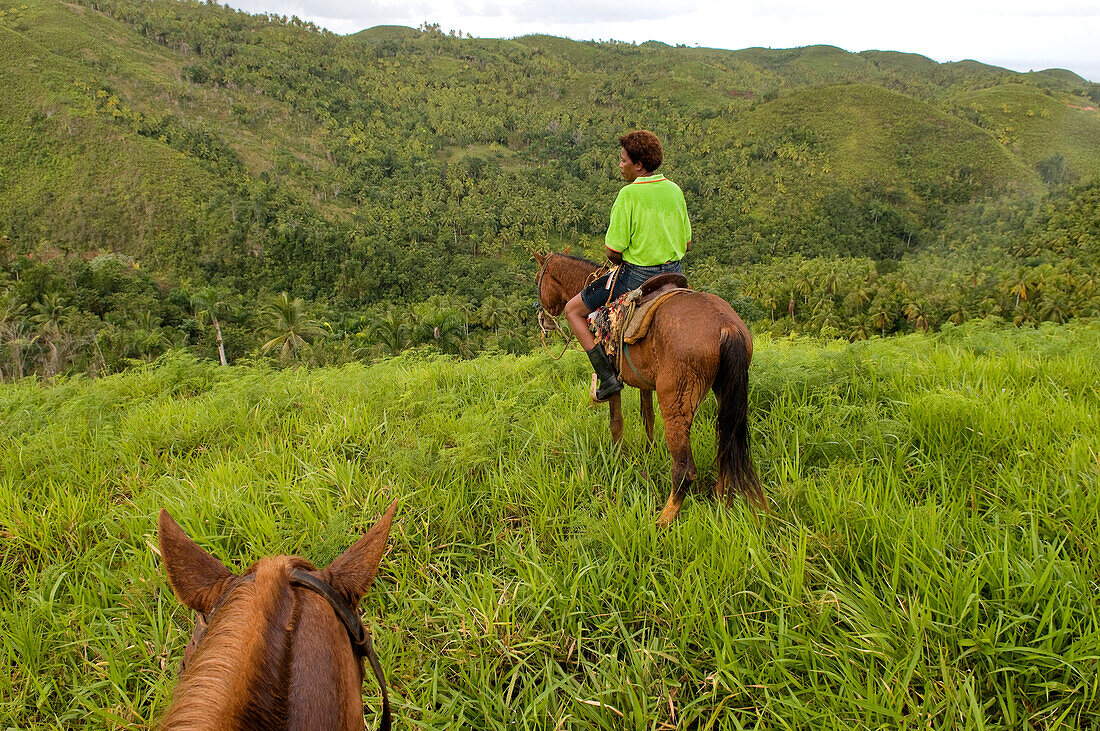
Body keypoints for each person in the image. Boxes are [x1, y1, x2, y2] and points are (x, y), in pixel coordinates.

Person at [565, 130, 692, 401]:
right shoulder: (674, 190)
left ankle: (608, 378)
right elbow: (688, 243)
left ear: (638, 165)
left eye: (623, 160)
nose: (620, 165)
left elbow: (613, 251)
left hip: (637, 276)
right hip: (675, 273)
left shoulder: (628, 195)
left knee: (573, 310)